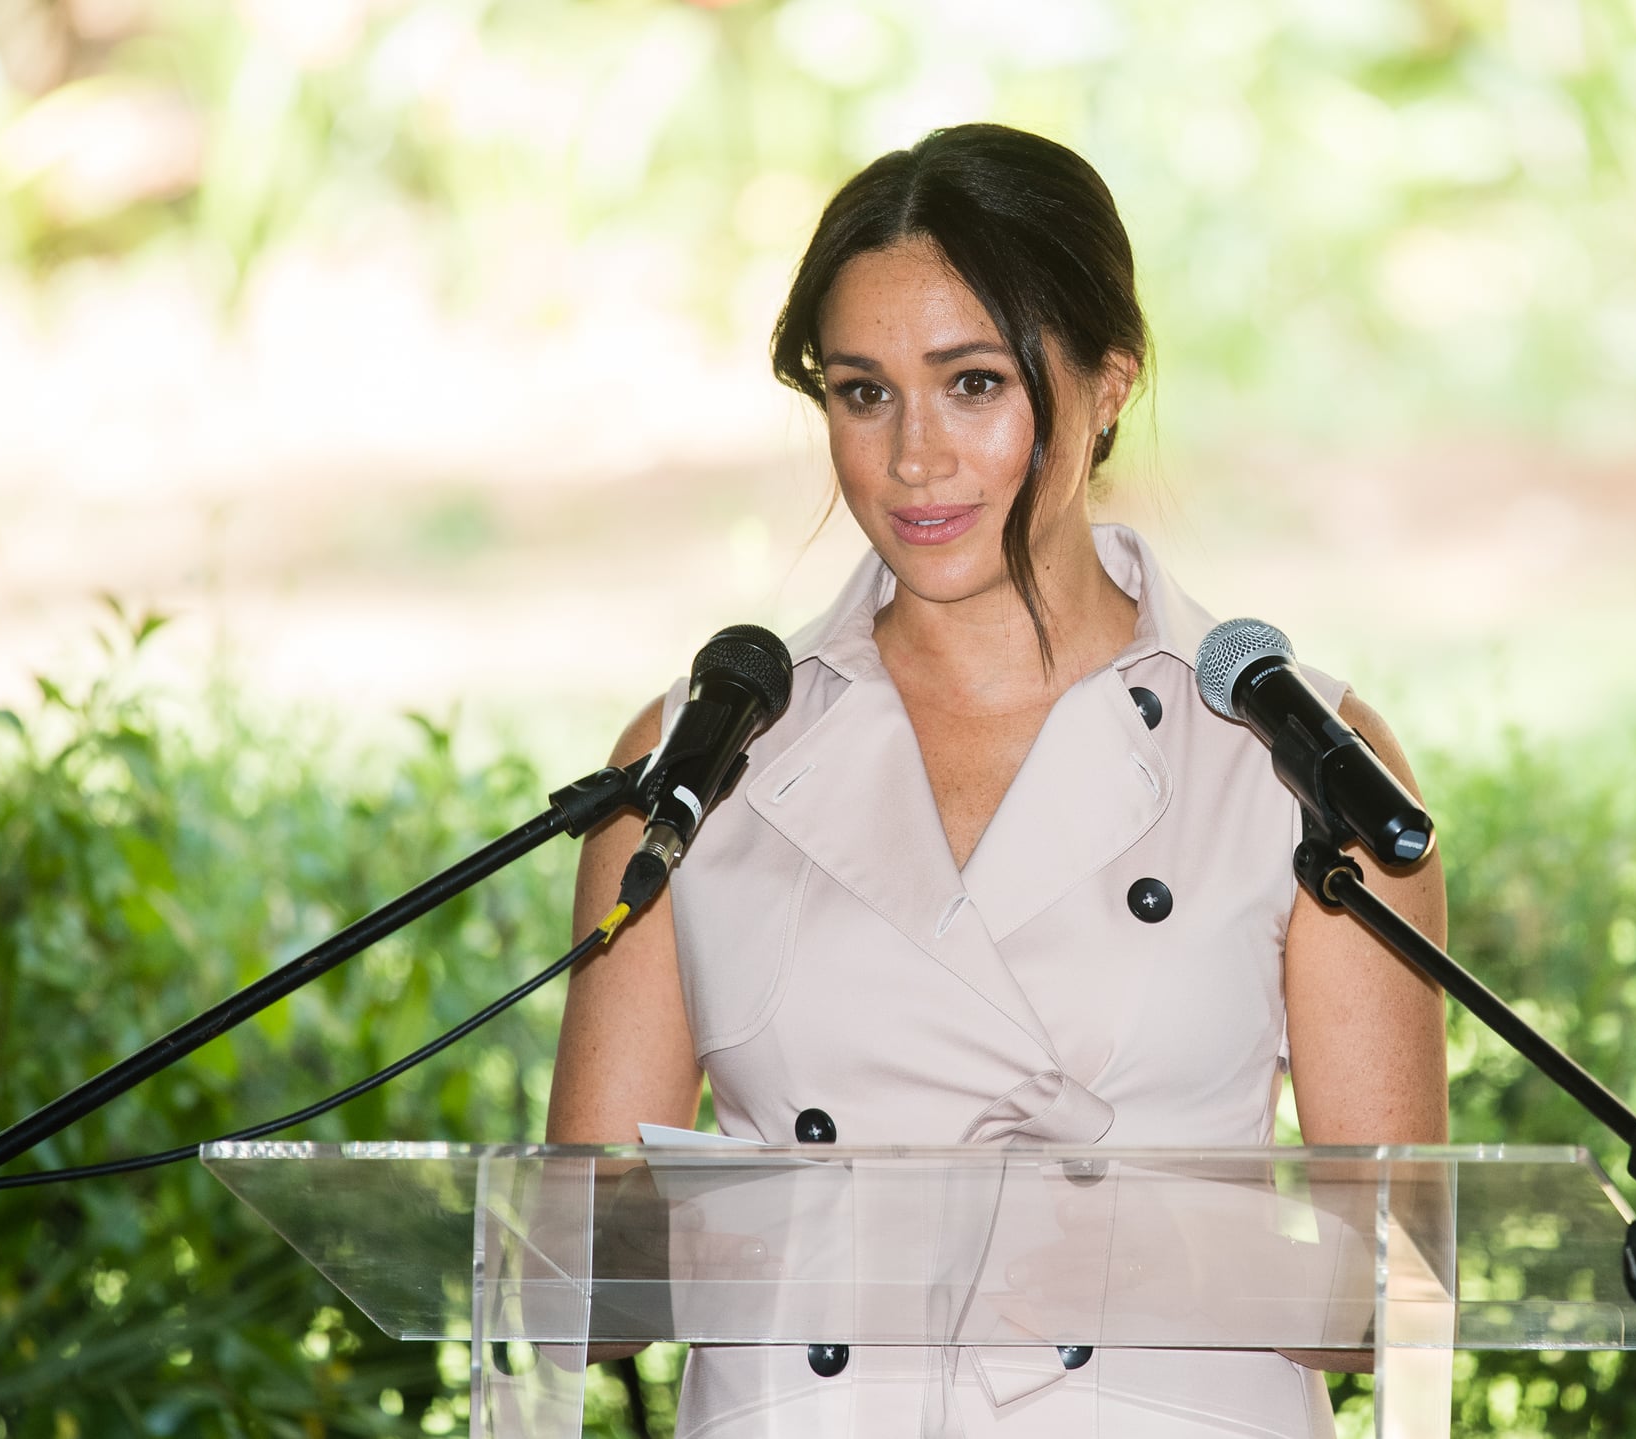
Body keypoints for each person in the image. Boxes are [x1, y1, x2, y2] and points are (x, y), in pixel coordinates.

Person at [547, 122, 1448, 1438]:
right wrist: (882, 1235)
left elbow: (1394, 1294)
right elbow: (583, 1273)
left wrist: (1112, 1248)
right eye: (864, 393)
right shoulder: (698, 755)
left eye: (972, 385)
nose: (914, 459)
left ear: (1106, 386)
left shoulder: (1298, 759)